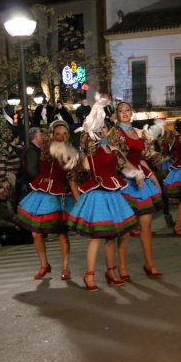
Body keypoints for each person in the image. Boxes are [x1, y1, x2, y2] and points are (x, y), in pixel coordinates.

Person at [67, 102, 140, 290]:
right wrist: (88, 141)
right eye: (99, 128)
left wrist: (138, 174)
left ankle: (111, 271)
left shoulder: (112, 148)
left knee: (112, 236)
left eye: (105, 127)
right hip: (98, 194)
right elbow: (84, 167)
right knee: (97, 236)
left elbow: (124, 165)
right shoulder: (91, 149)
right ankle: (89, 275)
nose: (103, 130)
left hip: (114, 193)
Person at [15, 120, 80, 280]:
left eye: (64, 133)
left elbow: (72, 179)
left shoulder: (71, 153)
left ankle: (66, 268)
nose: (61, 136)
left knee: (62, 234)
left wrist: (79, 202)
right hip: (42, 194)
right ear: (52, 135)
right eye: (57, 133)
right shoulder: (45, 150)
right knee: (36, 233)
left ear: (69, 135)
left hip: (61, 197)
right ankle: (44, 265)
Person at [108, 101, 164, 280]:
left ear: (132, 113)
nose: (124, 113)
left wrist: (153, 178)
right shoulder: (115, 133)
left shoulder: (138, 133)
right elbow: (119, 159)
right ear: (116, 115)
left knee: (146, 225)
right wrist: (135, 173)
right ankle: (122, 267)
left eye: (127, 110)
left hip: (141, 181)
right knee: (125, 228)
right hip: (125, 181)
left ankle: (150, 264)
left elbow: (143, 158)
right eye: (120, 111)